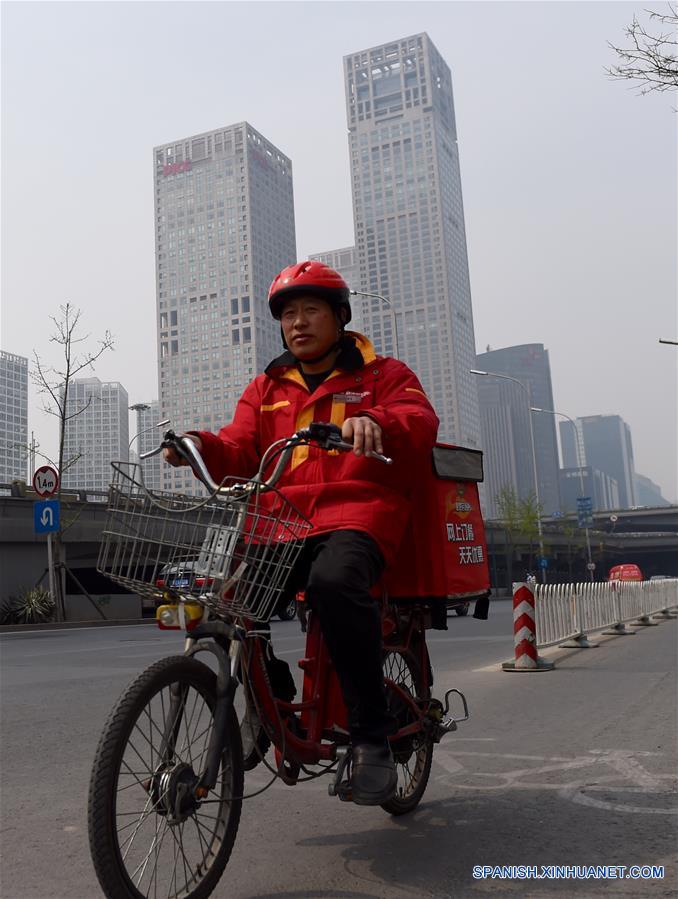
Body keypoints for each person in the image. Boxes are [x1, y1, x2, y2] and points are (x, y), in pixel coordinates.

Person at [164, 260, 439, 804]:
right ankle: (269, 700)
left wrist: (377, 421)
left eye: (311, 310)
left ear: (339, 317)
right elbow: (239, 448)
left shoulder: (382, 375)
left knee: (332, 586)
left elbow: (419, 417)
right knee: (229, 596)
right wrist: (196, 444)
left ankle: (371, 738)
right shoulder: (266, 387)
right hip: (281, 520)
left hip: (357, 513)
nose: (298, 323)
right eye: (288, 314)